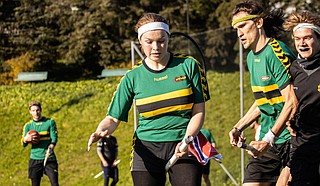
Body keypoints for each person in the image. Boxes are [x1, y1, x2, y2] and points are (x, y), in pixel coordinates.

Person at [87, 12, 210, 186]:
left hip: (183, 143)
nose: (156, 47)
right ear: (140, 42)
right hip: (147, 150)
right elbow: (113, 118)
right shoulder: (132, 77)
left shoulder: (189, 66)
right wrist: (101, 130)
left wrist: (187, 140)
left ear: (168, 39)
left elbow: (198, 111)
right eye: (149, 42)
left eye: (161, 41)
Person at [228, 1, 297, 185]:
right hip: (269, 138)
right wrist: (238, 127)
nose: (239, 33)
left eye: (242, 26)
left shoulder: (276, 52)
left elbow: (292, 101)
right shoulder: (251, 57)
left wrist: (269, 138)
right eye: (236, 28)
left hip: (291, 139)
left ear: (259, 23)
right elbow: (265, 100)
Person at [283, 10, 320, 186]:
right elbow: (289, 102)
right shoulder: (293, 69)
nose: (302, 43)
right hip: (302, 144)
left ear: (318, 38)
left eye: (307, 38)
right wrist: (290, 118)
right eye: (297, 39)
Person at [21, 100, 59, 186]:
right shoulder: (28, 126)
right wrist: (26, 139)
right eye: (33, 111)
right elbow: (23, 144)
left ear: (41, 110)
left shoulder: (49, 122)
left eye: (37, 110)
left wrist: (51, 147)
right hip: (35, 159)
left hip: (49, 157)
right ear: (30, 112)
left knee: (55, 184)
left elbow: (54, 137)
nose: (36, 113)